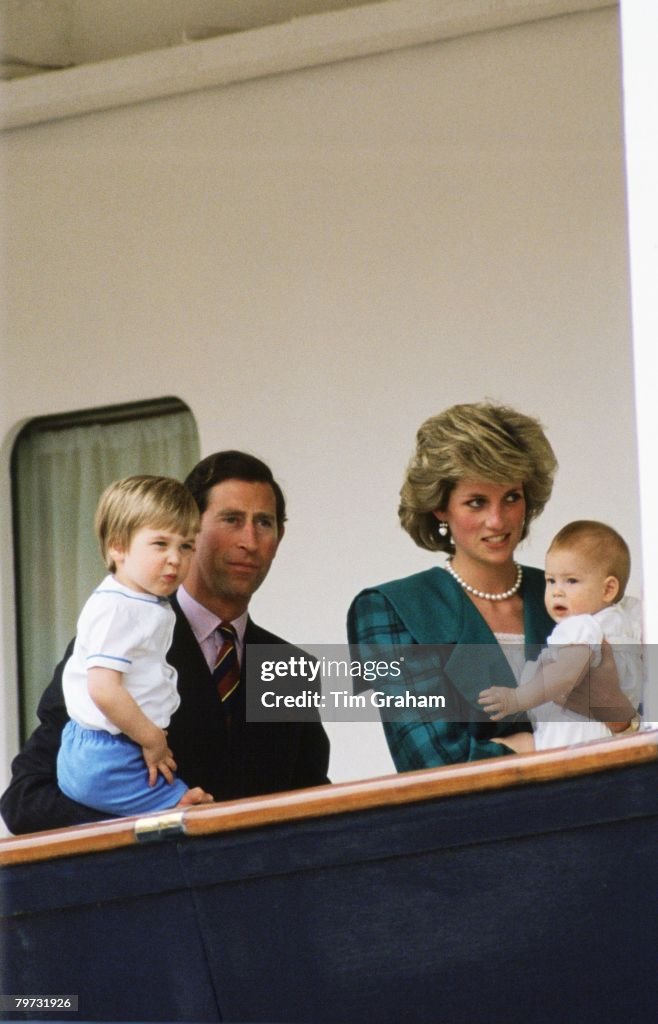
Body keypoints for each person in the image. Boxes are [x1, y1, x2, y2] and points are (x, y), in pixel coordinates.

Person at [1, 451, 330, 834]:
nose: (250, 541)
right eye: (231, 520)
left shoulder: (290, 668)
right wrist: (155, 824)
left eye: (264, 523)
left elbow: (310, 800)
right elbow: (27, 799)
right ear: (191, 526)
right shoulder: (119, 639)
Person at [347, 401, 636, 771]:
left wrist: (615, 716)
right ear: (440, 508)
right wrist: (551, 746)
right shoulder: (389, 608)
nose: (497, 521)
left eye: (511, 498)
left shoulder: (573, 592)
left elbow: (640, 728)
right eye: (476, 502)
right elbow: (431, 760)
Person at [57, 475, 213, 816]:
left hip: (113, 746)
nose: (175, 558)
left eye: (186, 546)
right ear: (118, 547)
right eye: (160, 544)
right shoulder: (118, 608)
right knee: (193, 812)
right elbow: (104, 688)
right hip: (108, 751)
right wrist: (152, 739)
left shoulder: (141, 603)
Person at [478, 520, 642, 749]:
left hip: (576, 732)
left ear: (608, 589)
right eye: (551, 580)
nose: (557, 592)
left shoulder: (582, 626)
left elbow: (565, 673)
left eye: (571, 581)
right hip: (605, 734)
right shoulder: (624, 621)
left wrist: (518, 698)